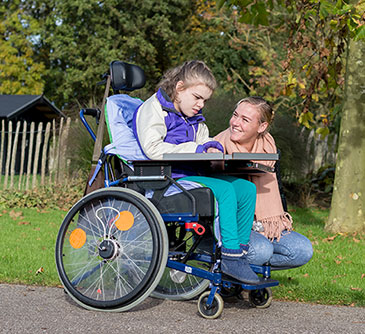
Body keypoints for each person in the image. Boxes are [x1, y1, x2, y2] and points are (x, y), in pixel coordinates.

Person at [133, 60, 260, 283]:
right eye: (197, 97)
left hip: (193, 174)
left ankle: (240, 253)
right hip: (167, 180)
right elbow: (152, 148)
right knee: (226, 191)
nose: (201, 104)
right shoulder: (153, 109)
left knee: (246, 188)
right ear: (180, 88)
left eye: (204, 100)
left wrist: (212, 146)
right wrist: (196, 148)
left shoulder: (192, 116)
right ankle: (230, 257)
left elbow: (203, 140)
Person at [214, 96, 313, 268]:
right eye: (235, 115)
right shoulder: (216, 147)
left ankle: (243, 270)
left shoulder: (268, 147)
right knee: (261, 250)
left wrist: (260, 228)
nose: (235, 123)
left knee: (302, 250)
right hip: (231, 227)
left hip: (264, 225)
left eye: (245, 119)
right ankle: (231, 270)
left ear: (262, 127)